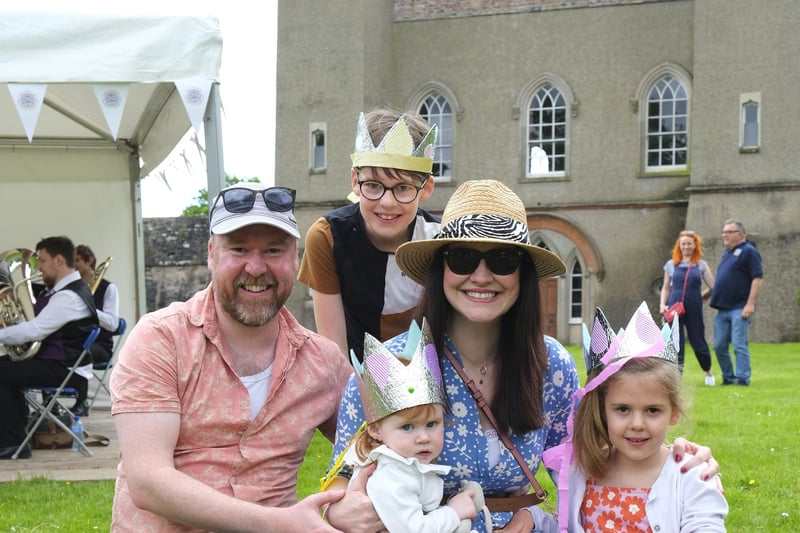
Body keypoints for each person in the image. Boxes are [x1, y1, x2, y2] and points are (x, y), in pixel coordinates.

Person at [324, 180, 720, 533]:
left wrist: (679, 460)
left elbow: (588, 460)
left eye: (502, 259)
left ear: (524, 274)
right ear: (439, 268)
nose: (482, 275)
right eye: (462, 258)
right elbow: (340, 478)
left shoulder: (551, 366)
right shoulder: (391, 365)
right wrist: (342, 512)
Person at [109, 182, 356, 531]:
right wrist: (278, 523)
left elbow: (379, 443)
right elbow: (148, 481)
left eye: (273, 251)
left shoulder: (324, 362)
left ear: (295, 258)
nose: (256, 268)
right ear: (211, 253)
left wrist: (349, 501)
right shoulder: (160, 339)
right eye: (238, 249)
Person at [568, 303, 728, 531]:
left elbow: (706, 525)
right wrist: (531, 514)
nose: (637, 424)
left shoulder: (690, 475)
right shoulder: (583, 470)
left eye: (652, 410)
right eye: (622, 409)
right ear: (602, 409)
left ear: (674, 412)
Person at [298, 107, 440, 360]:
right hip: (355, 381)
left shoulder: (440, 240)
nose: (387, 202)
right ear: (355, 180)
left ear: (426, 188)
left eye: (403, 188)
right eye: (373, 185)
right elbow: (335, 350)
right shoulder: (328, 237)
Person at [346, 320, 483, 533]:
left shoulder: (406, 467)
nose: (423, 437)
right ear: (375, 430)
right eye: (407, 427)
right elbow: (415, 529)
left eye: (431, 424)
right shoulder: (390, 477)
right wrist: (454, 512)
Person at [0, 236, 98, 459]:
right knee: (6, 365)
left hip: (66, 369)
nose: (39, 267)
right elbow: (33, 327)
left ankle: (14, 442)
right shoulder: (59, 292)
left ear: (59, 260)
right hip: (58, 362)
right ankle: (14, 432)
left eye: (42, 261)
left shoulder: (69, 296)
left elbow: (35, 331)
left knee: (2, 372)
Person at [709, 219, 764, 386]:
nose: (724, 235)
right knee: (719, 346)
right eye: (723, 232)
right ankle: (728, 377)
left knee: (739, 345)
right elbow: (721, 280)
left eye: (728, 232)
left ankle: (742, 378)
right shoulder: (728, 253)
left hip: (739, 308)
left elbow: (757, 278)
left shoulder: (749, 251)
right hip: (722, 309)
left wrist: (750, 304)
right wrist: (705, 294)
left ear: (739, 234)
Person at [659, 230, 716, 385]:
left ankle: (708, 372)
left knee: (697, 339)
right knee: (675, 342)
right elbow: (666, 287)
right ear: (679, 245)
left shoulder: (701, 265)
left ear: (694, 245)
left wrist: (703, 296)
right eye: (683, 244)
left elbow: (713, 286)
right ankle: (676, 378)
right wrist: (662, 304)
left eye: (689, 244)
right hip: (674, 305)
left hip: (693, 306)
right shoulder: (671, 265)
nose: (686, 247)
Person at [73, 244, 120, 415]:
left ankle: (82, 401)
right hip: (77, 341)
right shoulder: (73, 289)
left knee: (80, 351)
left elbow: (113, 324)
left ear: (90, 261)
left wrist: (89, 308)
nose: (74, 265)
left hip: (100, 346)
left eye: (77, 260)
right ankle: (50, 401)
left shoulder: (109, 289)